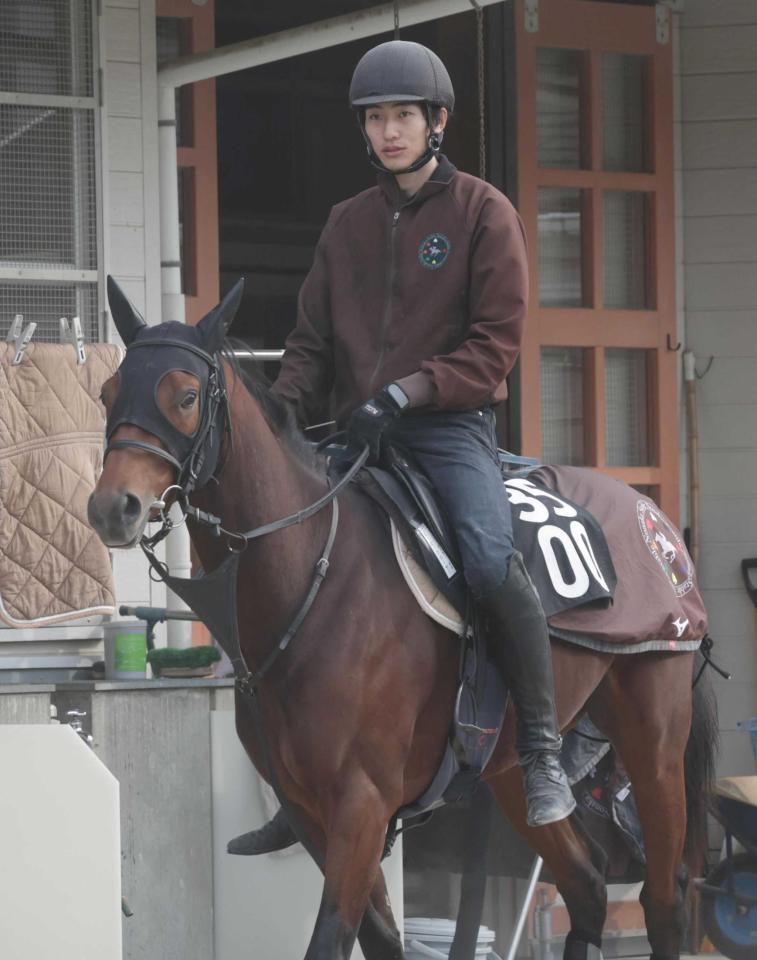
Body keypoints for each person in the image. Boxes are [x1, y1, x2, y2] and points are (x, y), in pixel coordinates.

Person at [228, 40, 575, 857]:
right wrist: (280, 419)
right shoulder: (346, 223)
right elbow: (309, 342)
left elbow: (495, 345)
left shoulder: (485, 213)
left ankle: (543, 753)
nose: (388, 132)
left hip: (445, 430)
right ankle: (294, 785)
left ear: (436, 122)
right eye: (375, 119)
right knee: (273, 566)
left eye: (402, 116)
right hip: (354, 433)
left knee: (489, 562)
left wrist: (407, 391)